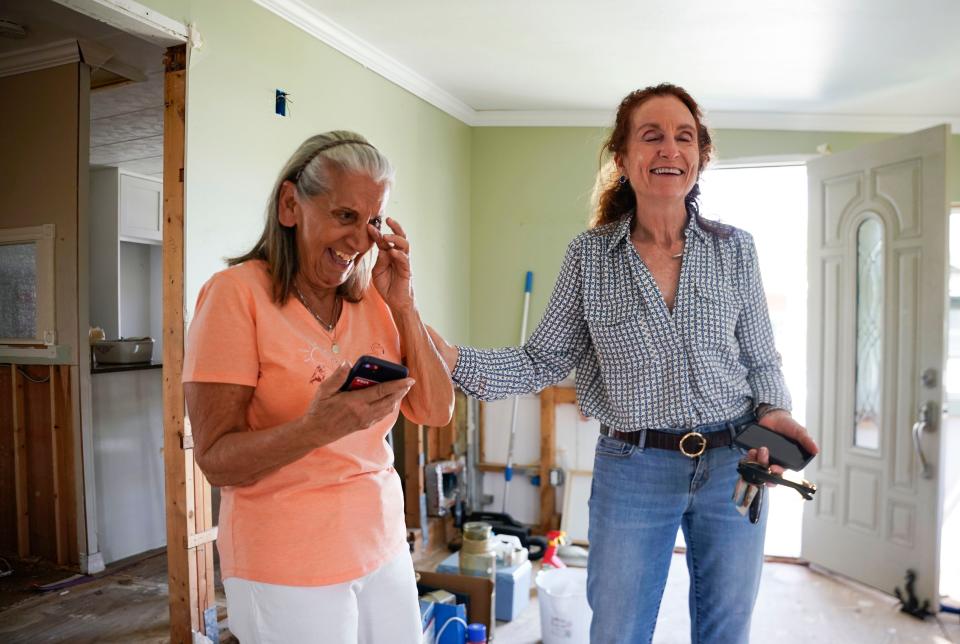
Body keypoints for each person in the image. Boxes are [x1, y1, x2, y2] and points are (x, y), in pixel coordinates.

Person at [428, 84, 819, 643]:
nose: (669, 149)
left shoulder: (736, 249)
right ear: (622, 156)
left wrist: (776, 413)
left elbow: (761, 358)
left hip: (733, 462)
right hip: (633, 467)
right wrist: (452, 359)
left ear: (700, 157)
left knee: (727, 630)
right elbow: (543, 359)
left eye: (684, 137)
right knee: (617, 631)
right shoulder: (589, 256)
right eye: (651, 135)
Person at [183, 131, 453, 643]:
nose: (360, 240)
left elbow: (436, 409)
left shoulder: (375, 301)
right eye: (345, 216)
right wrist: (315, 428)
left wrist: (405, 304)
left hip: (383, 546)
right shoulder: (235, 296)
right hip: (284, 561)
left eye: (373, 221)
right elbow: (216, 459)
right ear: (290, 206)